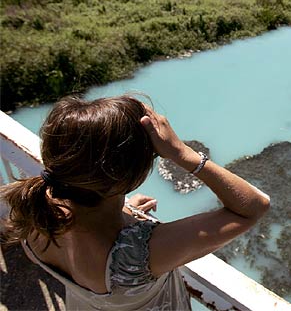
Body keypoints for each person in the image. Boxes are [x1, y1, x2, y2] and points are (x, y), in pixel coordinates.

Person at [0, 95, 270, 310]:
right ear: (124, 179)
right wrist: (182, 153)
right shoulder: (138, 255)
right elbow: (253, 207)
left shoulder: (35, 208)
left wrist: (123, 211)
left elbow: (88, 228)